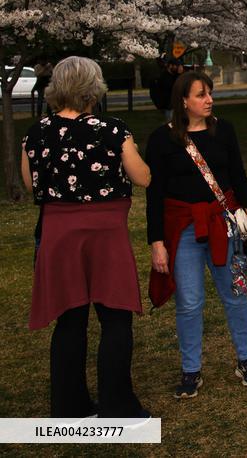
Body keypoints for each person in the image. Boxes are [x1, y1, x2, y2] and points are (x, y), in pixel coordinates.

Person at [22, 57, 151, 418]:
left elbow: (32, 184)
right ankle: (118, 405)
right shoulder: (112, 129)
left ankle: (69, 405)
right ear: (95, 87)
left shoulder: (36, 132)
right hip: (105, 233)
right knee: (115, 318)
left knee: (70, 319)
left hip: (58, 233)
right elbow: (142, 177)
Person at [146, 71, 247, 399]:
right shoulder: (161, 139)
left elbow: (239, 175)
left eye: (209, 93)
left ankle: (246, 359)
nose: (209, 99)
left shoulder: (224, 130)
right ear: (183, 101)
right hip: (184, 230)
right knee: (189, 302)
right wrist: (157, 242)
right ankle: (190, 370)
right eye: (201, 94)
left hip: (222, 225)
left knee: (236, 293)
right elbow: (154, 195)